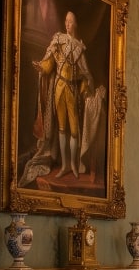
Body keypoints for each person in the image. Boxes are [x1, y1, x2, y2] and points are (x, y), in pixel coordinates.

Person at [29, 10, 97, 180]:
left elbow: (85, 75)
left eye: (70, 21)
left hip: (72, 90)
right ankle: (65, 164)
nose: (67, 24)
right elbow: (49, 63)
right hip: (59, 87)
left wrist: (85, 88)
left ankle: (74, 164)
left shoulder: (79, 48)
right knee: (61, 127)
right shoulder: (58, 40)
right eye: (66, 21)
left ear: (75, 24)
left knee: (74, 130)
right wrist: (42, 67)